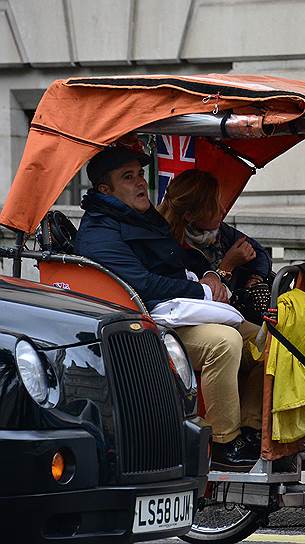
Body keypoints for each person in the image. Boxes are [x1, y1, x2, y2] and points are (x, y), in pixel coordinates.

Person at [74, 144, 263, 471]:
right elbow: (142, 285)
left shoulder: (142, 217)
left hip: (174, 313)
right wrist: (202, 289)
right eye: (128, 177)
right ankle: (221, 442)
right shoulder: (100, 232)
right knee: (224, 343)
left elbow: (177, 258)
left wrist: (208, 274)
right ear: (105, 189)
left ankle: (251, 427)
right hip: (143, 328)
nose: (140, 182)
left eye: (140, 175)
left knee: (270, 342)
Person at [157, 169, 272, 292]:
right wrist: (226, 266)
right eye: (213, 207)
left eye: (219, 202)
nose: (222, 211)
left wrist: (255, 278)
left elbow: (260, 253)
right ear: (190, 215)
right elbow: (201, 295)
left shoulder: (220, 231)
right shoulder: (169, 247)